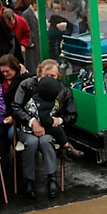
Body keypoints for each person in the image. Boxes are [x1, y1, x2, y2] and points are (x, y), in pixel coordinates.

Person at [11, 59, 77, 200]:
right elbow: (15, 107)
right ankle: (28, 180)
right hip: (28, 128)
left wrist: (59, 120)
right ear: (40, 73)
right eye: (46, 75)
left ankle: (52, 179)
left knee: (46, 142)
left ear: (57, 76)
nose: (49, 79)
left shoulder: (64, 91)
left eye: (53, 76)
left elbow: (72, 115)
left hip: (50, 130)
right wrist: (32, 121)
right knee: (32, 143)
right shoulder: (27, 85)